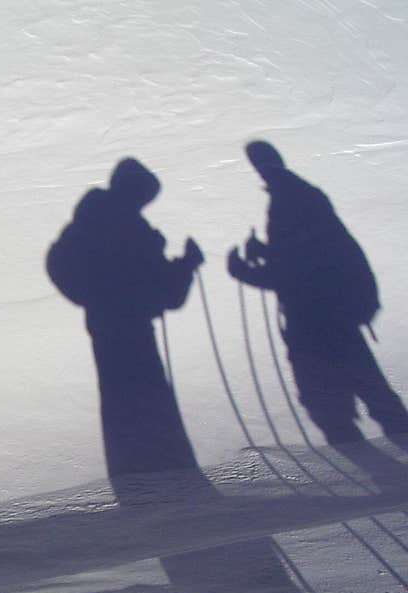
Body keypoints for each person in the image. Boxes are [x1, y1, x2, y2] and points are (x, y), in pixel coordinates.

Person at [227, 140, 408, 445]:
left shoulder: (288, 200)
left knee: (327, 402)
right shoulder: (302, 196)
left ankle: (385, 477)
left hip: (314, 318)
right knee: (366, 389)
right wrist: (268, 253)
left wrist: (245, 271)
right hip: (335, 312)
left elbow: (296, 269)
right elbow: (307, 254)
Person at [46, 158, 205, 483]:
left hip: (106, 325)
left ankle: (134, 474)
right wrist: (186, 265)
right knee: (146, 399)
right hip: (132, 326)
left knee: (122, 401)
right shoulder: (130, 227)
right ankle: (164, 473)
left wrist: (94, 296)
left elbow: (60, 264)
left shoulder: (89, 222)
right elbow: (166, 293)